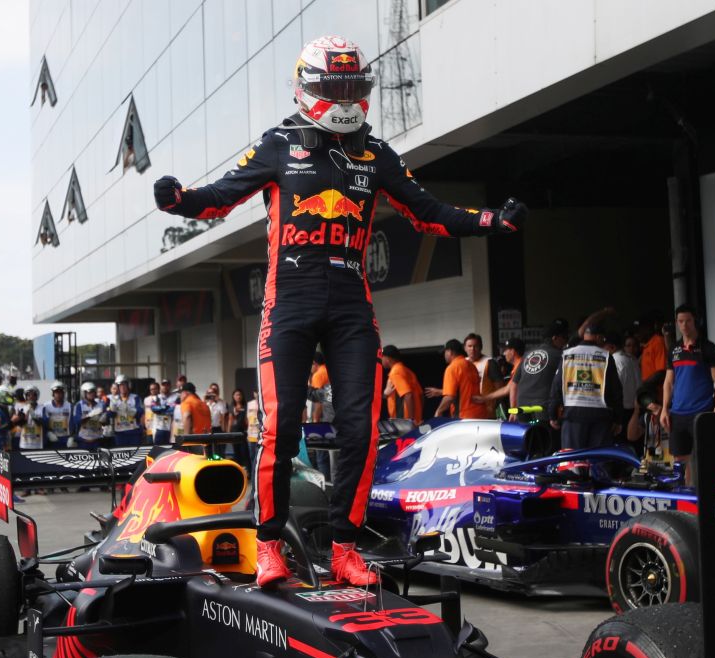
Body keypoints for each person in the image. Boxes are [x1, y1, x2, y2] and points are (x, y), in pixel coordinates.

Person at [153, 34, 526, 587]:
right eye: (337, 86)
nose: (347, 96)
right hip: (289, 304)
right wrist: (178, 199)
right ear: (308, 88)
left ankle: (345, 548)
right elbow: (222, 194)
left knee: (360, 428)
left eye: (354, 86)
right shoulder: (280, 142)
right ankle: (271, 544)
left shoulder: (375, 152)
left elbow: (428, 212)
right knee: (280, 429)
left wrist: (491, 221)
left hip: (353, 306)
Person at [660, 305, 715, 485]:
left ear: (695, 321)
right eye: (680, 321)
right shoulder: (674, 349)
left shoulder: (709, 348)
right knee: (680, 462)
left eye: (688, 320)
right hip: (678, 413)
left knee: (706, 458)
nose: (684, 325)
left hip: (702, 412)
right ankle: (683, 502)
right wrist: (665, 409)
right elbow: (668, 382)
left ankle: (708, 495)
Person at [547, 323, 624, 450]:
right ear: (599, 337)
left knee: (572, 462)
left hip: (572, 415)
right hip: (600, 416)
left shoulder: (567, 354)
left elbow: (556, 386)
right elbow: (616, 391)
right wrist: (618, 420)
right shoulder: (606, 356)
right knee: (598, 461)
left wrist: (553, 414)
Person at [511, 320, 569, 421]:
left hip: (522, 406)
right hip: (543, 407)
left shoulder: (527, 354)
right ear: (555, 338)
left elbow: (514, 384)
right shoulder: (560, 355)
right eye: (564, 337)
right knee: (546, 435)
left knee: (527, 435)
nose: (565, 341)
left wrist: (513, 409)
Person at [432, 339, 490, 419]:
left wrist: (438, 411)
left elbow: (450, 397)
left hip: (464, 417)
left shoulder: (453, 368)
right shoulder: (471, 365)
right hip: (481, 414)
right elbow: (463, 390)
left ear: (450, 352)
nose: (444, 355)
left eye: (445, 352)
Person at [381, 345, 423, 425]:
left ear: (387, 359)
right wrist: (417, 416)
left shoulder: (395, 372)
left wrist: (410, 419)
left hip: (403, 422)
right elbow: (421, 396)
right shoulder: (409, 372)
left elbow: (408, 395)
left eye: (382, 357)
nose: (381, 360)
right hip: (416, 421)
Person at [612, 332, 642, 444]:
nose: (632, 348)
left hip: (624, 410)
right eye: (628, 345)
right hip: (634, 409)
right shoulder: (633, 360)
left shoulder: (615, 360)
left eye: (634, 345)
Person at [464, 333, 503, 416]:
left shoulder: (490, 363)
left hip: (486, 411)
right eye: (469, 346)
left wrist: (493, 407)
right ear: (465, 348)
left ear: (481, 347)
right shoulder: (462, 363)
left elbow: (501, 389)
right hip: (467, 411)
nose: (473, 349)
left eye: (476, 346)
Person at [109, 375, 143, 447]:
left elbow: (140, 413)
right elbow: (110, 416)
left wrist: (128, 409)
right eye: (120, 385)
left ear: (128, 385)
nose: (122, 387)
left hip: (134, 432)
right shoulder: (114, 399)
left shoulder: (135, 397)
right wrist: (111, 410)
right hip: (120, 432)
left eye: (124, 385)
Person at [71, 382, 106, 450]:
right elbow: (77, 421)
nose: (92, 394)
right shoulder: (79, 405)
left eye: (93, 392)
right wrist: (90, 415)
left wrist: (104, 418)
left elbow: (105, 423)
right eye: (89, 392)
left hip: (97, 440)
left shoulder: (101, 404)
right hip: (83, 440)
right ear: (84, 393)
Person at [43, 381, 73, 447]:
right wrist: (48, 433)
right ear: (52, 393)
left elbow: (72, 422)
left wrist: (72, 437)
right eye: (56, 392)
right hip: (52, 438)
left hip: (65, 438)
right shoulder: (46, 406)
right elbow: (44, 422)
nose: (59, 394)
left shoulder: (69, 406)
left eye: (61, 392)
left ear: (64, 393)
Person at [638, 316, 668, 380]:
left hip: (656, 389)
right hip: (648, 388)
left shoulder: (658, 342)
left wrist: (646, 385)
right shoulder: (646, 346)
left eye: (640, 330)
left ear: (648, 329)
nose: (638, 333)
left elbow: (661, 372)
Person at [18, 386, 45, 450]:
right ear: (26, 397)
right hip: (24, 443)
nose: (31, 397)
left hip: (37, 444)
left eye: (33, 395)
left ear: (37, 396)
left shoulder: (42, 408)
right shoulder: (22, 409)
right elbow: (20, 425)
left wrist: (32, 414)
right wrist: (24, 417)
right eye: (28, 395)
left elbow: (42, 423)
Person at [229, 389, 250, 468]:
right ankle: (238, 468)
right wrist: (228, 432)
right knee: (236, 452)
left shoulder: (246, 405)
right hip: (234, 432)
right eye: (236, 395)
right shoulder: (231, 406)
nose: (238, 396)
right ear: (233, 396)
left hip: (243, 431)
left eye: (239, 395)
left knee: (244, 451)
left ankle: (247, 470)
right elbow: (230, 420)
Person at [246, 389, 262, 466]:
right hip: (251, 434)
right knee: (252, 457)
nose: (257, 394)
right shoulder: (250, 404)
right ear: (254, 393)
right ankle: (253, 475)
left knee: (260, 457)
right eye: (256, 392)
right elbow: (247, 418)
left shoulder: (264, 404)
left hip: (261, 435)